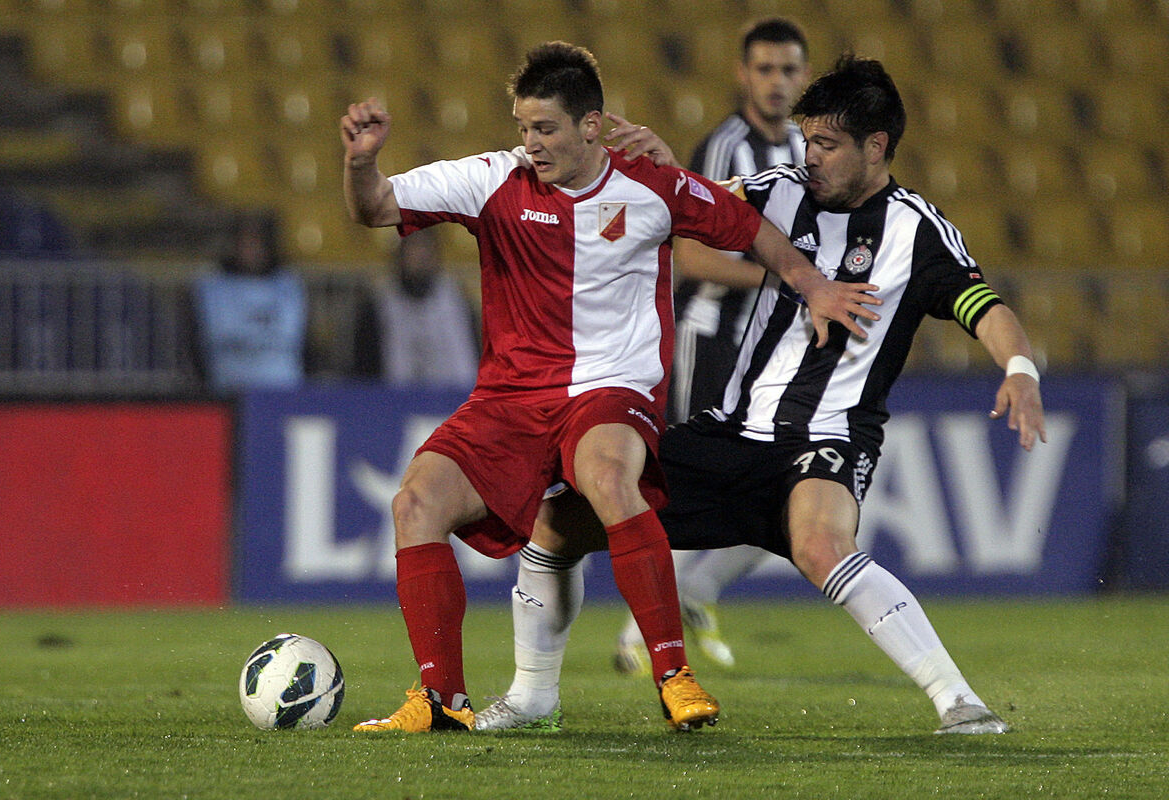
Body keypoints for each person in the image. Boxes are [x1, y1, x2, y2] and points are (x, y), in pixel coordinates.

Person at [476, 55, 1046, 736]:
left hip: (828, 436)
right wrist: (665, 170)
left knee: (820, 546)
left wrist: (1019, 368)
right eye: (807, 140)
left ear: (876, 146)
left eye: (827, 144)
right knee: (554, 522)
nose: (811, 157)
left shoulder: (917, 231)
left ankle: (959, 701)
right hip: (732, 431)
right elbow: (689, 204)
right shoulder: (779, 190)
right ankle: (533, 696)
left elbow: (984, 307)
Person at [340, 41, 880, 733]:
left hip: (612, 389)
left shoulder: (652, 187)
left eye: (546, 128)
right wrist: (361, 163)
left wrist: (814, 285)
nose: (531, 143)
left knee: (605, 475)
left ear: (590, 125)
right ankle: (441, 698)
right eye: (524, 127)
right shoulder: (491, 179)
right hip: (511, 398)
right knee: (415, 502)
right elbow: (376, 207)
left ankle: (674, 675)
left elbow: (751, 229)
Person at [616, 16, 813, 676]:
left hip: (774, 349)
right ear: (742, 75)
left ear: (804, 77)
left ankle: (695, 591)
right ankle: (639, 631)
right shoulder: (724, 147)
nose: (777, 82)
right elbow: (692, 256)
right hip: (715, 339)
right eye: (765, 69)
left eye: (788, 69)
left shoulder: (806, 150)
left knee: (795, 487)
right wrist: (787, 276)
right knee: (688, 485)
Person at [191, 210, 308, 395]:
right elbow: (199, 339)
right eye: (245, 244)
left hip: (282, 389)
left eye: (256, 243)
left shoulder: (289, 285)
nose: (251, 251)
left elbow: (302, 340)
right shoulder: (213, 285)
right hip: (229, 389)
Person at [353, 226, 480, 386]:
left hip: (452, 397)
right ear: (400, 254)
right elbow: (364, 375)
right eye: (414, 247)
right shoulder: (376, 308)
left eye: (426, 247)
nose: (421, 256)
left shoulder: (459, 303)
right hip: (392, 398)